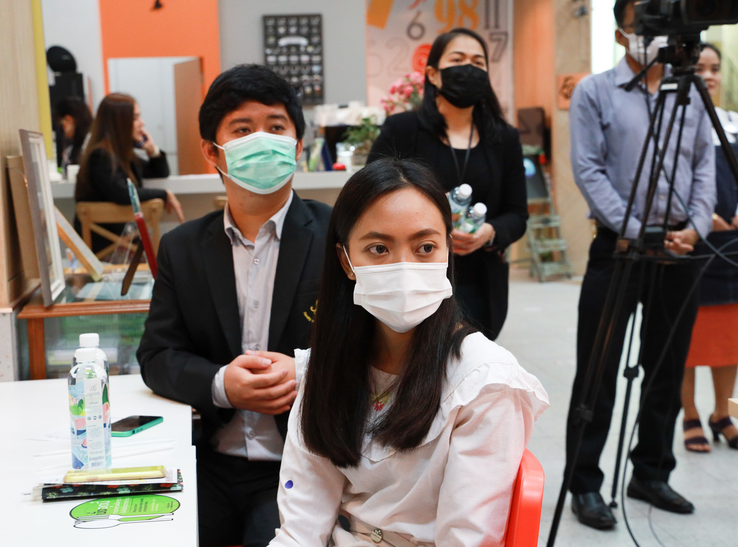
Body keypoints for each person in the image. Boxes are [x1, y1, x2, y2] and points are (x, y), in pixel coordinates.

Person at [265, 158, 548, 547]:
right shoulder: (328, 365)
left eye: (425, 247)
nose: (404, 267)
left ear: (448, 250)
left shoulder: (484, 383)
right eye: (379, 248)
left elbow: (465, 540)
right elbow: (301, 526)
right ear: (346, 261)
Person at [136, 65, 332, 547]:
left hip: (305, 464)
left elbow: (379, 350)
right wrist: (222, 384)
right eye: (242, 130)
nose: (262, 140)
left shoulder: (338, 237)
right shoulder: (182, 248)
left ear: (297, 145)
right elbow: (157, 356)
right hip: (206, 462)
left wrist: (303, 370)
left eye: (276, 126)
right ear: (212, 151)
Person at [566, 0, 716, 530]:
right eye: (643, 24)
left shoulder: (689, 90)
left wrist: (696, 226)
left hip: (680, 249)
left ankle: (651, 472)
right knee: (598, 370)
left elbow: (704, 163)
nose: (655, 35)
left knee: (667, 368)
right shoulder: (594, 92)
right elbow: (588, 169)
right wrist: (637, 229)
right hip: (618, 249)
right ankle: (584, 482)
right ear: (621, 32)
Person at [367, 28, 527, 340]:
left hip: (479, 278)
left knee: (470, 359)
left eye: (478, 62)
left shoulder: (504, 138)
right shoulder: (402, 129)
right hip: (410, 276)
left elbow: (517, 214)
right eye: (457, 59)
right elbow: (370, 194)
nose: (468, 68)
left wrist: (489, 232)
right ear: (433, 74)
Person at [681, 43, 738, 452]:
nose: (709, 76)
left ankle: (722, 413)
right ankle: (690, 414)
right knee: (687, 340)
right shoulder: (675, 124)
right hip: (692, 244)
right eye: (700, 68)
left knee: (729, 339)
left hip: (733, 248)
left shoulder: (734, 123)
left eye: (715, 68)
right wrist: (701, 217)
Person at [75, 92, 184, 254]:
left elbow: (160, 172)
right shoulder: (100, 156)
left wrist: (152, 150)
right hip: (107, 249)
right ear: (119, 123)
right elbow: (123, 193)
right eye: (135, 118)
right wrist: (164, 193)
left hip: (122, 246)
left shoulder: (122, 156)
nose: (142, 123)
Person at [54, 96, 92, 172]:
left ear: (68, 119)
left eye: (62, 125)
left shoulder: (88, 146)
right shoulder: (72, 149)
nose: (63, 131)